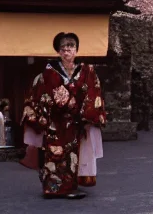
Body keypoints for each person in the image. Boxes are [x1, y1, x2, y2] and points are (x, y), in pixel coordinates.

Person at [22, 32, 106, 200]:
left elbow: (93, 91)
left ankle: (69, 187)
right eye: (64, 47)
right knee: (54, 155)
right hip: (54, 121)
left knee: (72, 156)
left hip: (75, 122)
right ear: (58, 51)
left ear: (76, 50)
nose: (67, 50)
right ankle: (52, 188)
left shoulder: (86, 71)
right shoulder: (49, 71)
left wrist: (87, 115)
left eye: (71, 46)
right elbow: (40, 93)